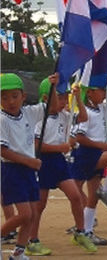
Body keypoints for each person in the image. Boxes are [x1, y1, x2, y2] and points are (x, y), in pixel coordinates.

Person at [27, 79, 97, 255]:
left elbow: (83, 117)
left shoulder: (64, 116)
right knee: (39, 204)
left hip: (59, 162)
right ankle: (32, 240)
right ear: (46, 98)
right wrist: (60, 147)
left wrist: (78, 98)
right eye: (60, 98)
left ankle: (80, 232)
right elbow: (37, 145)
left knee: (75, 196)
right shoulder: (39, 119)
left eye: (66, 98)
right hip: (43, 162)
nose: (64, 102)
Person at [1, 73, 58, 260]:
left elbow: (52, 107)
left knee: (32, 214)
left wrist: (53, 88)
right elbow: (3, 151)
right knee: (25, 214)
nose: (10, 101)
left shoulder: (28, 113)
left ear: (23, 96)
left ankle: (19, 252)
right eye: (4, 96)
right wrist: (30, 161)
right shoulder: (2, 119)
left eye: (14, 96)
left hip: (28, 171)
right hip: (12, 170)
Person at [71, 79, 107, 245]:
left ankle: (86, 231)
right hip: (87, 154)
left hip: (95, 153)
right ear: (89, 92)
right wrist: (101, 145)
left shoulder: (101, 108)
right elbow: (80, 137)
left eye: (104, 90)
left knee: (92, 197)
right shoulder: (84, 112)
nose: (103, 94)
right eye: (100, 90)